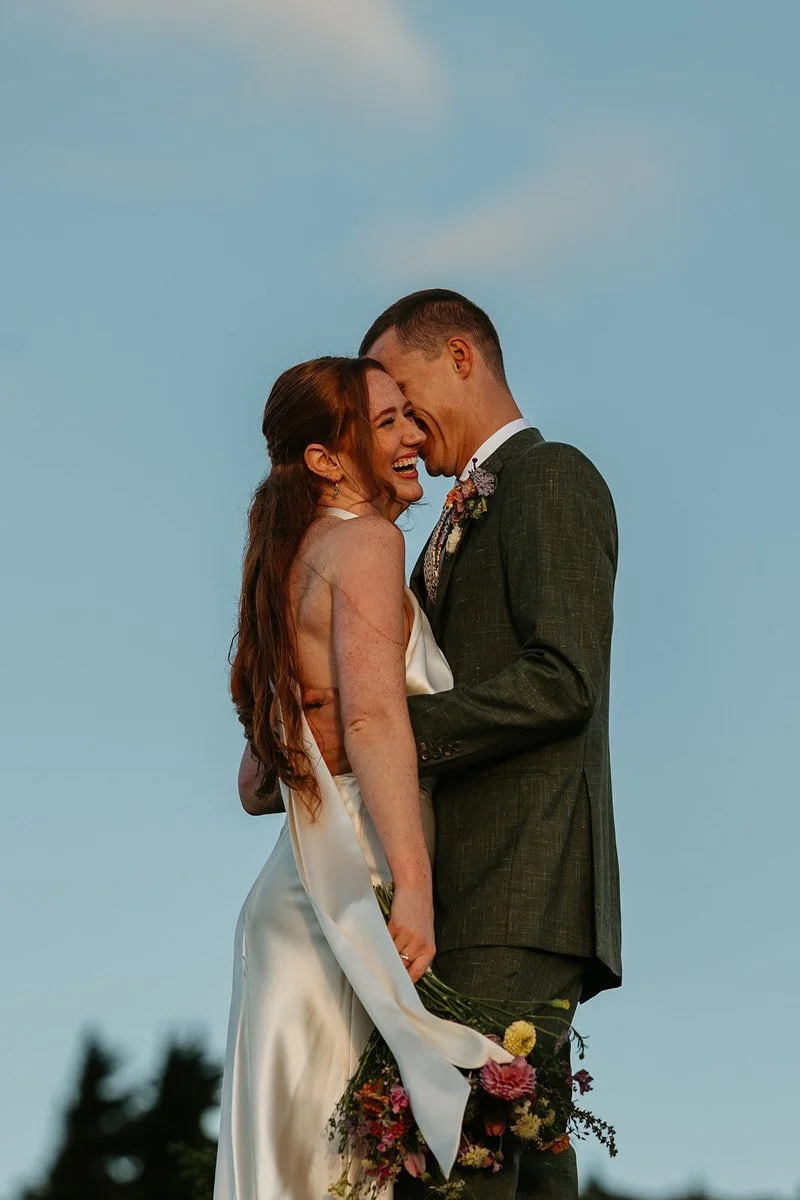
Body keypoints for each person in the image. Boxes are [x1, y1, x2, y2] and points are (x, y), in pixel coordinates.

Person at [214, 356, 511, 1200]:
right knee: (332, 1172)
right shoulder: (367, 544)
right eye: (387, 424)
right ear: (326, 458)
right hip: (351, 881)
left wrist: (318, 747)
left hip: (290, 891)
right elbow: (375, 719)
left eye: (409, 419)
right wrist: (413, 889)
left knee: (295, 1164)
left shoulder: (286, 563)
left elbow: (254, 784)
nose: (415, 436)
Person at [356, 290, 622, 1200]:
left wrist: (394, 740)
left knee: (467, 1164)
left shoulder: (553, 478)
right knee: (509, 1169)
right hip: (455, 893)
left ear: (461, 356)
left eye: (401, 386)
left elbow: (565, 678)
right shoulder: (441, 525)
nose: (394, 419)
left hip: (520, 880)